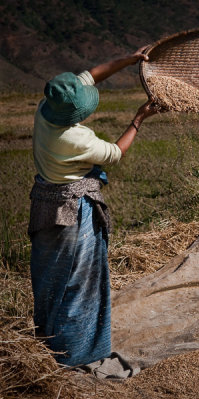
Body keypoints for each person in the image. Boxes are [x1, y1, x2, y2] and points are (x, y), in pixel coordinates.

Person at [28, 47, 158, 372]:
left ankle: (46, 342)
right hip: (72, 214)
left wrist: (129, 60)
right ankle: (75, 354)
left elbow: (90, 74)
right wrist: (139, 118)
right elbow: (115, 152)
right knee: (79, 283)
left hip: (46, 205)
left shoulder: (45, 110)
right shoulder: (73, 139)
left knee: (50, 281)